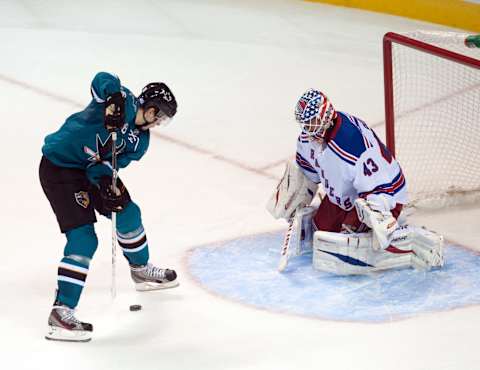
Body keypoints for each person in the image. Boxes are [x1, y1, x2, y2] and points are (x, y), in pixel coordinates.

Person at [40, 72, 179, 342]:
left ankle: (140, 270)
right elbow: (101, 80)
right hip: (60, 167)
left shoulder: (141, 142)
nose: (160, 122)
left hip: (89, 172)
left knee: (129, 213)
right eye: (161, 116)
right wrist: (112, 97)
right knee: (84, 239)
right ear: (151, 109)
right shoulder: (123, 100)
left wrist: (105, 183)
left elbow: (110, 163)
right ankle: (61, 311)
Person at [267, 89, 444, 274]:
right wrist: (297, 195)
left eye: (312, 123)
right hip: (346, 195)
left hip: (382, 194)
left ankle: (403, 238)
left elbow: (381, 185)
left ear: (326, 117)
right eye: (305, 124)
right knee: (321, 234)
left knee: (344, 244)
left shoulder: (352, 144)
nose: (308, 129)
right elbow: (307, 171)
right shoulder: (310, 138)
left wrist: (378, 220)